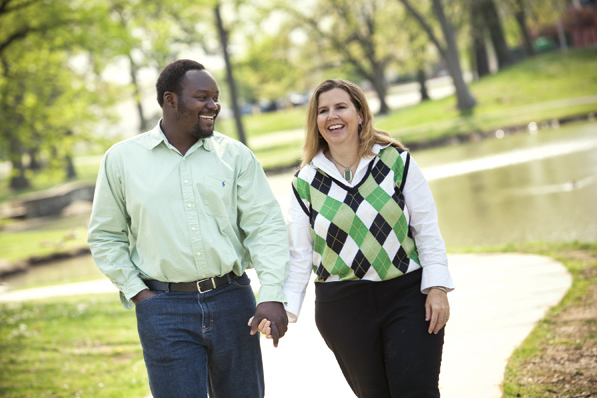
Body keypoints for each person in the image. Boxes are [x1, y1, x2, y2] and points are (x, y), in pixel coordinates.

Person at [87, 59, 289, 398]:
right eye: (203, 97)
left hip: (233, 301)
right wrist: (139, 294)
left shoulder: (235, 156)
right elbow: (105, 235)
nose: (214, 106)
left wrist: (271, 293)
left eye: (216, 98)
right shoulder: (121, 160)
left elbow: (265, 225)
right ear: (171, 100)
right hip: (163, 310)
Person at [259, 79, 454, 398]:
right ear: (315, 121)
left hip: (406, 295)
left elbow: (427, 230)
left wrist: (437, 287)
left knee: (416, 390)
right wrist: (283, 310)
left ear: (360, 114)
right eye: (323, 110)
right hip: (342, 307)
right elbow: (300, 256)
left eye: (341, 107)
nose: (332, 116)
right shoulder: (305, 182)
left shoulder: (396, 162)